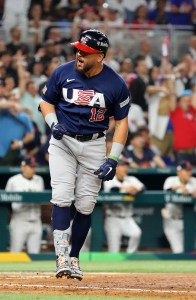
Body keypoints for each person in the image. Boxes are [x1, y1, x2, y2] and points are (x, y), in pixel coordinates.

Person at [39, 29, 130, 280]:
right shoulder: (62, 72)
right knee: (61, 196)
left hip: (94, 144)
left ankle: (75, 257)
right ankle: (61, 257)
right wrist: (52, 123)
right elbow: (45, 101)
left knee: (86, 205)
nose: (78, 54)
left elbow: (122, 123)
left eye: (85, 52)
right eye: (78, 49)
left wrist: (113, 158)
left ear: (99, 56)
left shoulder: (115, 84)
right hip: (63, 142)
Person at [162, 161, 196, 253]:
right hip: (172, 220)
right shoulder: (171, 180)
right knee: (178, 251)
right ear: (179, 171)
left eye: (190, 170)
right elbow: (168, 189)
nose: (189, 172)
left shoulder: (193, 180)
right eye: (186, 170)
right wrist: (179, 187)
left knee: (191, 250)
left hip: (187, 221)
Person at [103, 159, 144, 253]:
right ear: (116, 169)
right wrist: (126, 188)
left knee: (136, 233)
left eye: (126, 166)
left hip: (127, 218)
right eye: (122, 166)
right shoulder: (110, 179)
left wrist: (136, 189)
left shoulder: (131, 180)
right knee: (114, 250)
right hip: (113, 218)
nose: (125, 168)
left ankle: (130, 256)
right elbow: (111, 189)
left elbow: (143, 188)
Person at [5, 157, 44, 254]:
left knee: (35, 254)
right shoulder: (13, 181)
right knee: (15, 253)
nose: (33, 169)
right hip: (19, 220)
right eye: (30, 166)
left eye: (34, 167)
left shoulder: (39, 180)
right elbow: (6, 201)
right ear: (23, 167)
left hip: (36, 220)